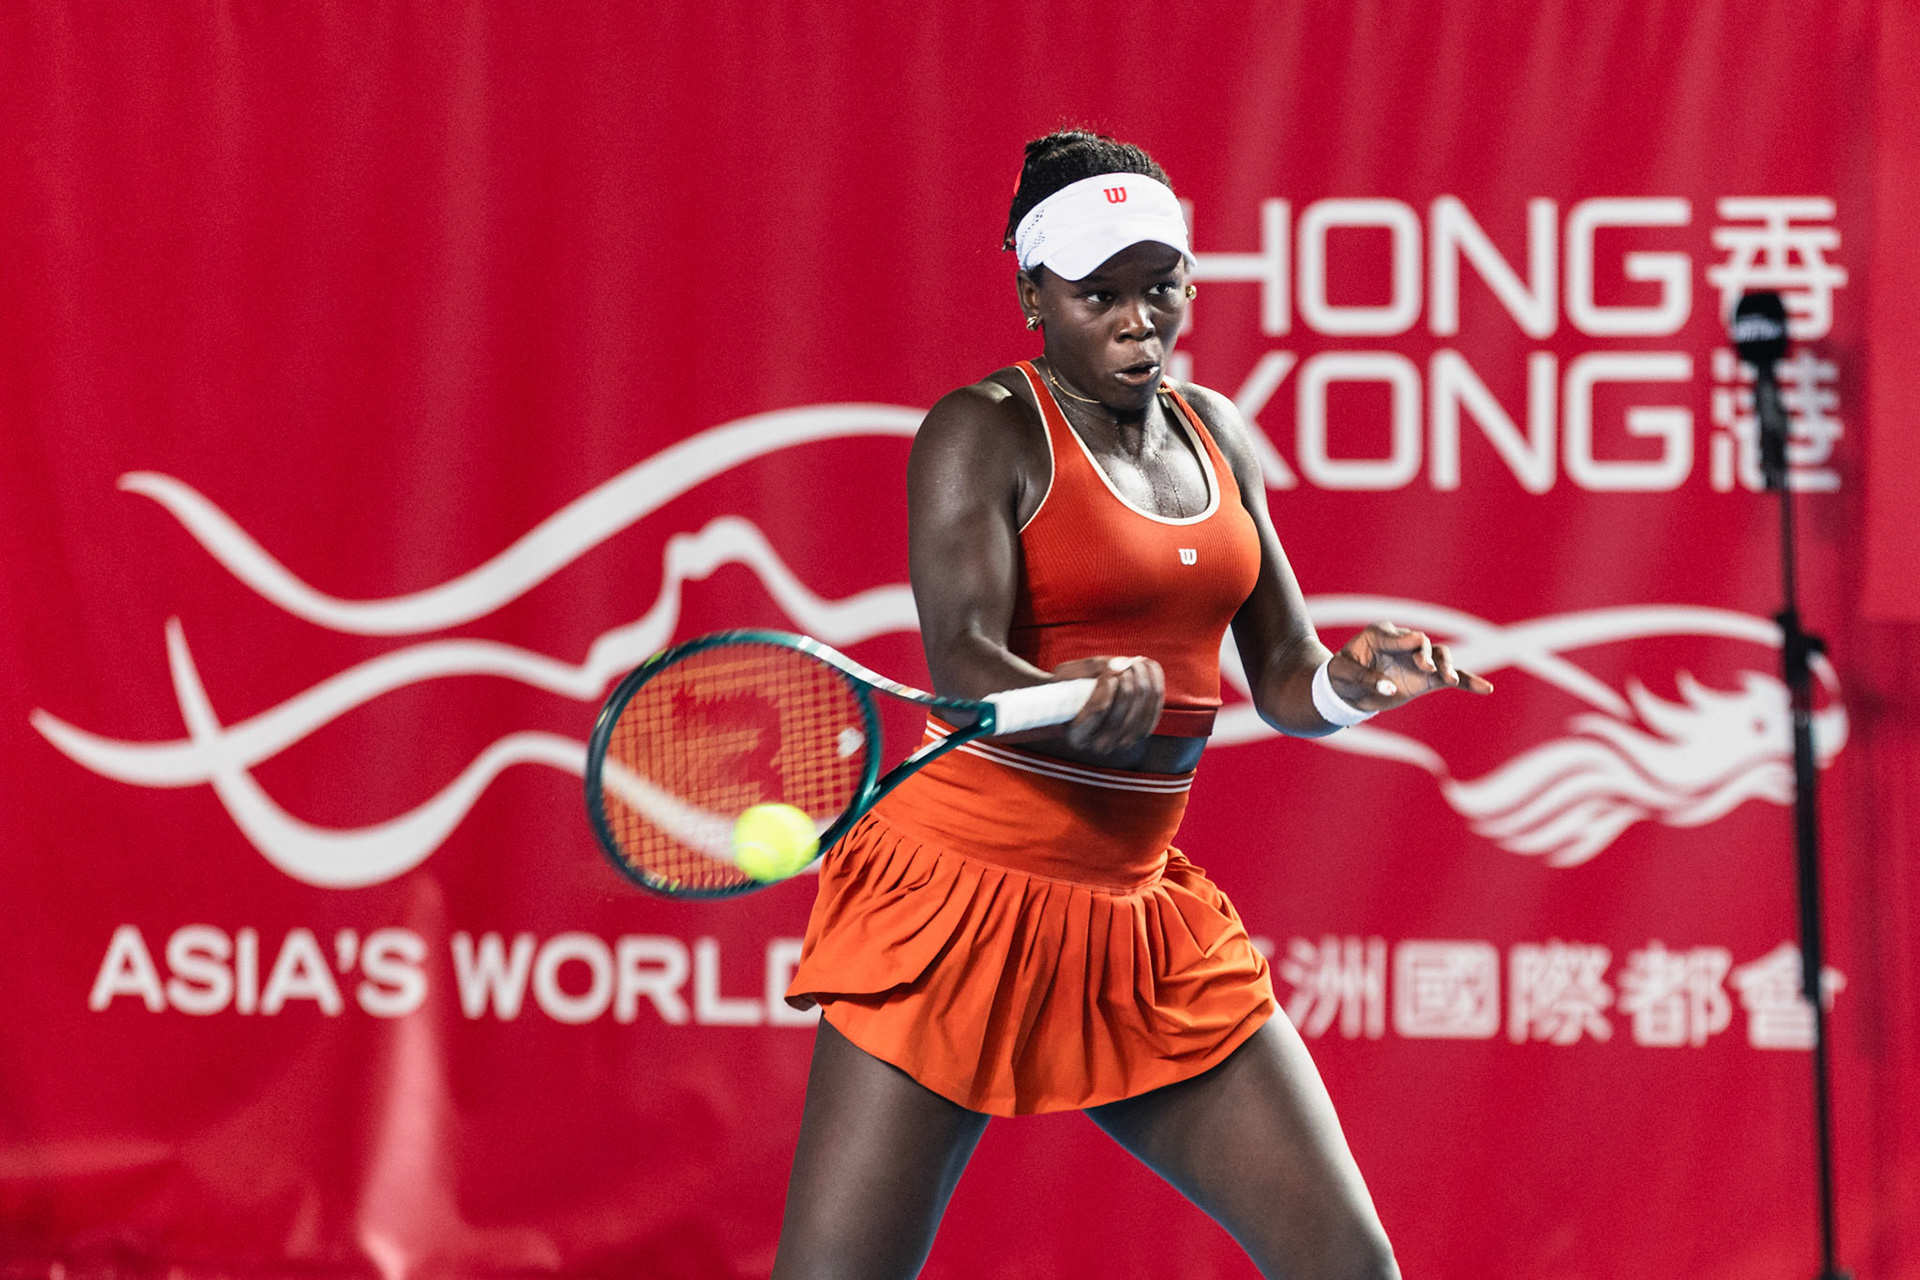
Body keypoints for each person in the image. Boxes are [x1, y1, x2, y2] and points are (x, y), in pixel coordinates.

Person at [776, 130, 1491, 1280]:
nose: (1136, 320)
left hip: (1139, 920)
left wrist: (1354, 684)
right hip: (957, 903)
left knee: (1347, 1263)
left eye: (1159, 288)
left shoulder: (1221, 434)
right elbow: (961, 658)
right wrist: (1066, 699)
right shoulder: (982, 431)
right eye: (1097, 293)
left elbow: (1286, 673)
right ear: (1032, 293)